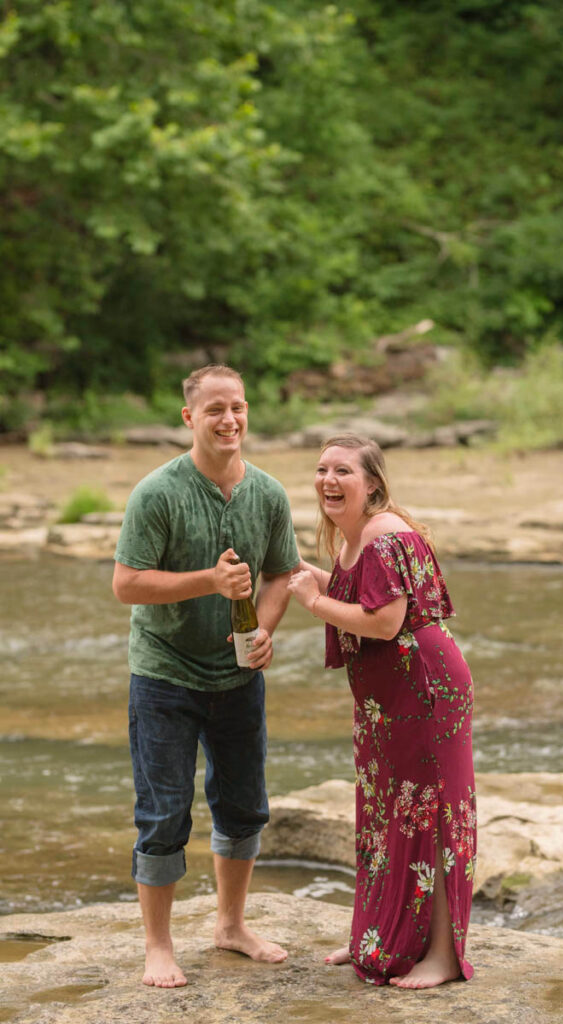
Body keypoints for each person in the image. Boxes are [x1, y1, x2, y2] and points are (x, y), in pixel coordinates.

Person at [112, 364, 299, 988]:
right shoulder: (157, 493)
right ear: (190, 417)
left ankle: (230, 926)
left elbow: (280, 574)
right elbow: (127, 584)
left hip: (239, 676)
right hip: (164, 674)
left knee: (244, 806)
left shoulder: (269, 494)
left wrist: (265, 630)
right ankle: (158, 947)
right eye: (215, 409)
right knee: (164, 813)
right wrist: (209, 582)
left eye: (239, 407)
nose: (230, 420)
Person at [287, 433, 476, 989]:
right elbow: (355, 593)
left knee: (430, 816)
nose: (328, 480)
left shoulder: (383, 534)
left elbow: (386, 621)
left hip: (424, 695)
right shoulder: (352, 542)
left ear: (372, 484)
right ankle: (381, 937)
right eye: (322, 469)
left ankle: (442, 955)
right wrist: (298, 571)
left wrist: (312, 601)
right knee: (385, 814)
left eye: (343, 471)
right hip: (384, 704)